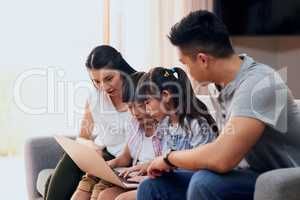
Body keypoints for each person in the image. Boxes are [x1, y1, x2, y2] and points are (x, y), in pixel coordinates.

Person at [137, 10, 300, 200]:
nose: (186, 71)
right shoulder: (219, 87)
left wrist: (169, 158)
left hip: (283, 176)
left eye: (185, 63)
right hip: (248, 174)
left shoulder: (259, 84)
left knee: (205, 183)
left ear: (202, 60)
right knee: (153, 187)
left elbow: (222, 158)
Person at [98, 67, 218, 200]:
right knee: (107, 195)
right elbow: (166, 161)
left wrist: (157, 174)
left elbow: (203, 165)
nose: (147, 109)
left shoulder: (195, 124)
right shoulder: (165, 126)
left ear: (166, 95)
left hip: (192, 182)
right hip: (175, 180)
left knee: (124, 198)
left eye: (147, 102)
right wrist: (150, 171)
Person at [44, 45, 137, 200]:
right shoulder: (94, 98)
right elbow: (83, 137)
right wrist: (92, 149)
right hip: (105, 156)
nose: (104, 87)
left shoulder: (142, 92)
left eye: (109, 79)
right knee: (71, 157)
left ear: (120, 69)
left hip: (130, 161)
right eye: (96, 81)